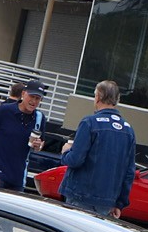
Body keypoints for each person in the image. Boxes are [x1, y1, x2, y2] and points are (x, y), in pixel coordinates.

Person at [57, 80, 136, 217]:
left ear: (98, 96)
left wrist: (65, 152)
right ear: (117, 99)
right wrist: (119, 203)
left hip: (80, 195)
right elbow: (129, 171)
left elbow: (76, 159)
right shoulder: (128, 131)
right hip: (107, 200)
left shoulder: (90, 123)